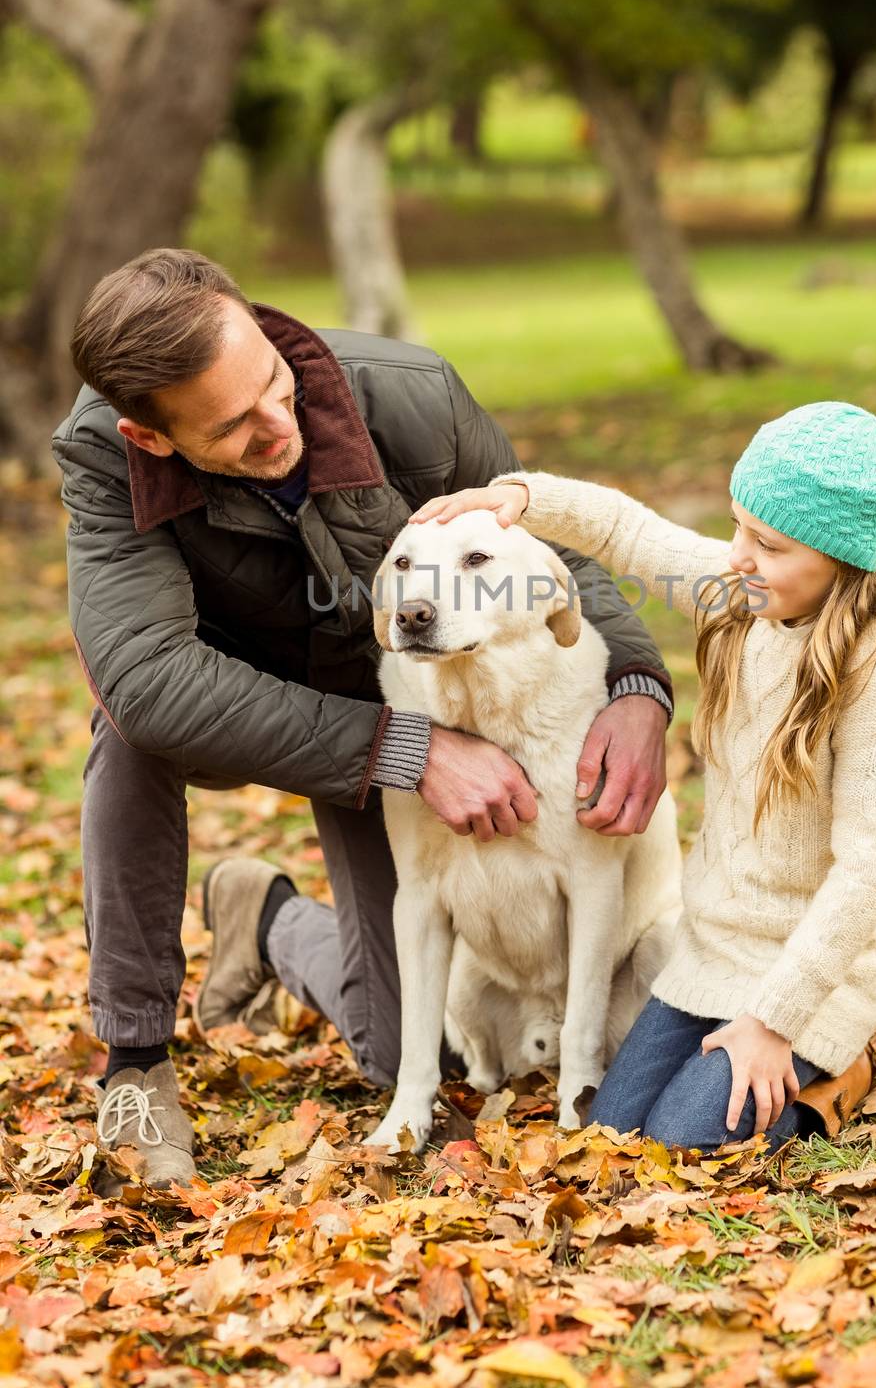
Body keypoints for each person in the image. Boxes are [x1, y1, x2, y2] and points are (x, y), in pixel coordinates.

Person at [52, 248, 675, 1187]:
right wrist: (404, 748)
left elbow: (551, 556)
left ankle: (266, 921)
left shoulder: (412, 396)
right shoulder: (104, 453)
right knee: (127, 727)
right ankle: (135, 1064)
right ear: (150, 438)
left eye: (274, 384)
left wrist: (637, 685)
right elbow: (149, 677)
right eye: (235, 427)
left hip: (384, 685)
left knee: (402, 1052)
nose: (278, 423)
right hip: (231, 700)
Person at [409, 400, 876, 1152]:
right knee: (613, 1133)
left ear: (840, 558)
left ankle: (861, 1052)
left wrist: (773, 1024)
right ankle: (769, 1053)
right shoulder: (743, 596)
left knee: (684, 1143)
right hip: (714, 950)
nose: (736, 554)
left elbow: (867, 874)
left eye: (765, 543)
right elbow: (629, 534)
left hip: (816, 973)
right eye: (737, 526)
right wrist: (523, 499)